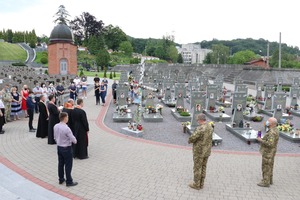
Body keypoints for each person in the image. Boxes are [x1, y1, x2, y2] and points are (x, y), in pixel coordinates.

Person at [188, 113, 213, 190]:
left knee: (197, 168)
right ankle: (201, 184)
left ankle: (196, 185)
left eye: (198, 120)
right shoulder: (210, 127)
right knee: (203, 167)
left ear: (200, 120)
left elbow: (192, 138)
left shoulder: (200, 129)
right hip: (207, 151)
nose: (197, 121)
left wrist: (189, 140)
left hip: (199, 152)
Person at [54, 112, 78, 187]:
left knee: (60, 163)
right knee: (68, 165)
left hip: (59, 147)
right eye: (67, 117)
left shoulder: (55, 126)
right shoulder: (66, 128)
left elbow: (55, 137)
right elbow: (73, 139)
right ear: (65, 118)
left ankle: (61, 179)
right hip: (66, 148)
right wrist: (75, 141)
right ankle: (69, 181)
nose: (68, 118)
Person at [256, 117, 279, 187]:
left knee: (266, 167)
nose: (267, 122)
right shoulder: (275, 130)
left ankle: (265, 182)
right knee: (270, 166)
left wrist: (260, 140)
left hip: (268, 152)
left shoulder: (271, 132)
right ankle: (270, 180)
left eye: (268, 121)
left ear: (271, 123)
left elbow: (270, 143)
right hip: (272, 152)